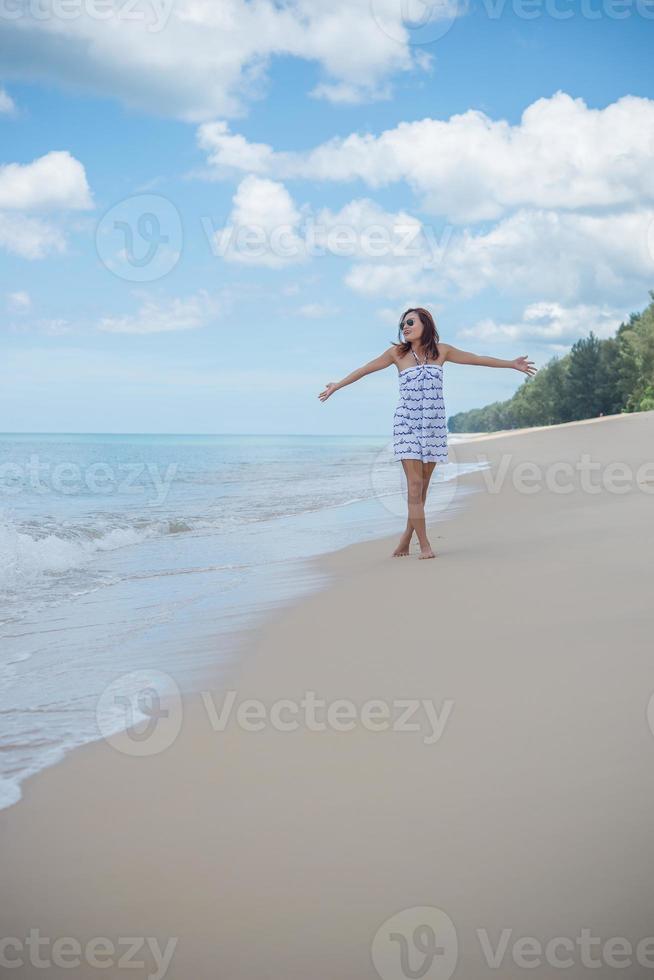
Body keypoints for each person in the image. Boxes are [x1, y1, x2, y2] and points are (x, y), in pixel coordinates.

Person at [318, 307, 536, 559]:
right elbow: (364, 370)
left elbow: (476, 358)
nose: (405, 327)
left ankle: (404, 539)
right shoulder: (396, 354)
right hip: (406, 425)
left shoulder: (442, 351)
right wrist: (337, 386)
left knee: (422, 489)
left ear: (426, 324)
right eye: (402, 325)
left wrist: (511, 364)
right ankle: (424, 546)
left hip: (432, 426)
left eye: (410, 322)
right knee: (414, 486)